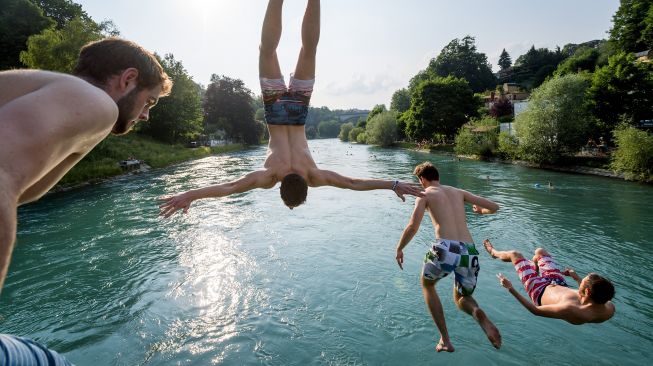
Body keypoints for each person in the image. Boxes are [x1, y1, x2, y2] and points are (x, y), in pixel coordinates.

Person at [158, 0, 422, 216]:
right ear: (280, 187)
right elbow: (229, 186)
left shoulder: (313, 175)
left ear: (306, 186)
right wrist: (189, 194)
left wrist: (394, 184)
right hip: (274, 109)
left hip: (299, 110)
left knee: (309, 50)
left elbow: (354, 183)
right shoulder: (269, 176)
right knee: (267, 50)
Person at [0, 37, 172, 364]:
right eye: (149, 102)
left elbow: (19, 189)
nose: (146, 115)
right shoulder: (95, 102)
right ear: (128, 79)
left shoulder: (47, 91)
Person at [394, 162, 501, 352]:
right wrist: (480, 211)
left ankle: (445, 339)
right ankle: (477, 312)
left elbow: (413, 226)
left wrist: (400, 248)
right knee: (462, 297)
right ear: (437, 176)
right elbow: (494, 206)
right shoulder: (458, 192)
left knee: (427, 285)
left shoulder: (424, 194)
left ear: (422, 179)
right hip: (469, 251)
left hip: (446, 247)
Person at [482, 239, 615, 324]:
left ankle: (493, 253)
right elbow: (593, 292)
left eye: (583, 282)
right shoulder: (607, 305)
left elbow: (535, 310)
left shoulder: (572, 310)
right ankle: (534, 267)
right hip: (558, 282)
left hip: (538, 289)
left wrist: (510, 288)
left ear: (586, 291)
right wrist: (576, 278)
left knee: (515, 254)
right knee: (540, 252)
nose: (581, 282)